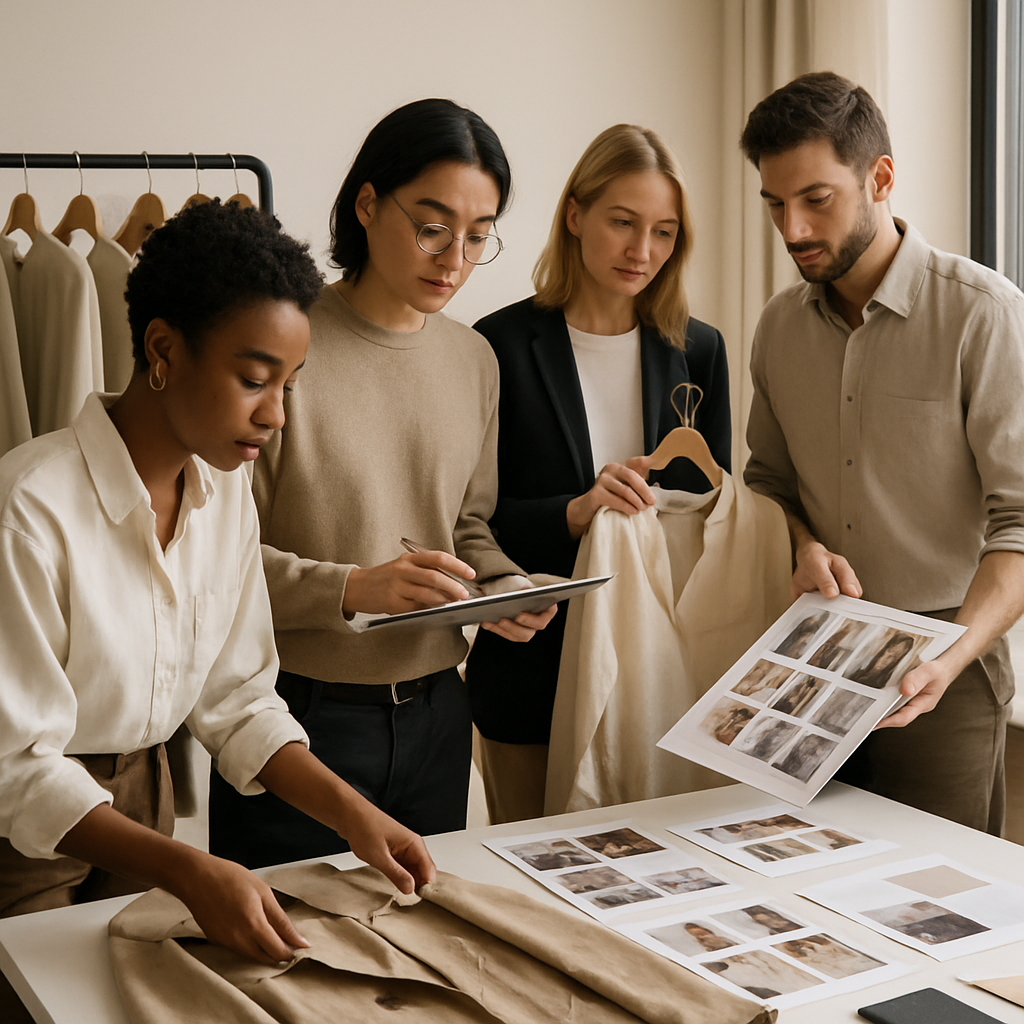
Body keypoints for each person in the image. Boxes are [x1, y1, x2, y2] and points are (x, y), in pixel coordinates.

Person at [0, 201, 435, 1019]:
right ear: (163, 350)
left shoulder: (224, 496)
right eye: (253, 379)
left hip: (146, 802)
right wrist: (189, 867)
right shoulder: (27, 508)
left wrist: (357, 818)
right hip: (16, 838)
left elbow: (235, 700)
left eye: (289, 386)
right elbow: (15, 767)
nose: (275, 415)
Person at [207, 99, 556, 870]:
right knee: (281, 970)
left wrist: (502, 586)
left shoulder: (475, 360)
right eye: (432, 227)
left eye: (478, 235)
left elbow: (466, 523)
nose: (454, 257)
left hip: (439, 714)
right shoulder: (278, 343)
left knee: (425, 956)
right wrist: (354, 587)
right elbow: (208, 560)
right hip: (296, 720)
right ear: (367, 203)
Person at [741, 71, 1024, 834]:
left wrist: (950, 658)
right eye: (775, 204)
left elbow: (1022, 525)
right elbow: (766, 482)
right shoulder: (777, 328)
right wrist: (799, 543)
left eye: (816, 199)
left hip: (946, 664)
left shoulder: (983, 316)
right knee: (804, 897)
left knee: (939, 914)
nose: (793, 228)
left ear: (881, 178)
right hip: (813, 656)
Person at [462, 124, 732, 823]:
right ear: (575, 215)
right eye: (623, 222)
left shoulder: (699, 350)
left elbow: (716, 519)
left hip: (658, 680)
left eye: (664, 232)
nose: (643, 251)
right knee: (531, 885)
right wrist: (573, 512)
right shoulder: (495, 345)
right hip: (532, 670)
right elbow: (469, 520)